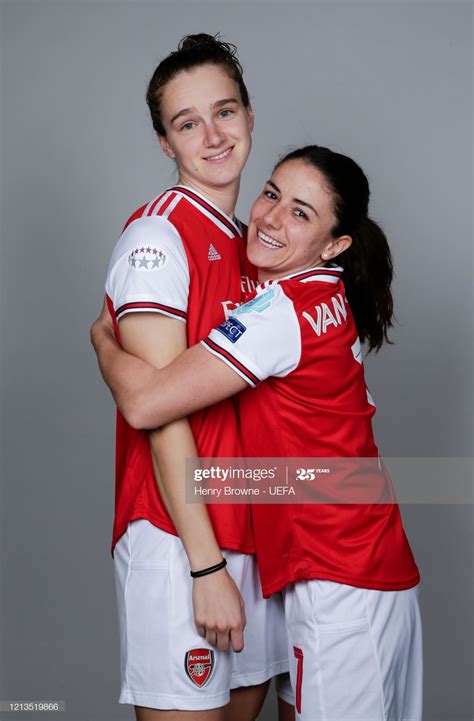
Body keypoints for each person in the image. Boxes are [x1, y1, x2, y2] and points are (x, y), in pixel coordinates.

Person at [92, 145, 423, 721]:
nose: (269, 217)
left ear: (336, 244)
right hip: (370, 570)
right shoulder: (329, 296)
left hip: (337, 580)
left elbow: (145, 404)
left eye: (301, 213)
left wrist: (101, 337)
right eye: (271, 194)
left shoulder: (280, 311)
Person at [100, 33, 292, 721]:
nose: (213, 135)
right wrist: (205, 568)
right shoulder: (158, 238)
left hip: (251, 532)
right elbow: (157, 410)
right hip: (181, 538)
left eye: (225, 111)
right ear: (164, 142)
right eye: (188, 123)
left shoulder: (253, 245)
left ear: (248, 115)